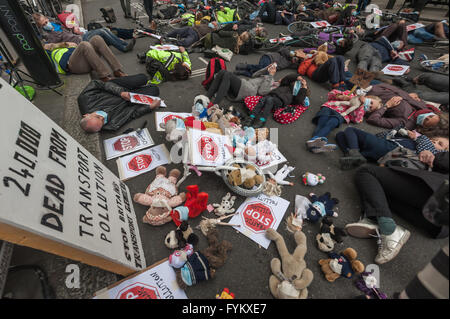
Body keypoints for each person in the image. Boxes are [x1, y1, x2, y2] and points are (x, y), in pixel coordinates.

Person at [344, 150, 449, 264]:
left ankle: (388, 228)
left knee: (367, 172)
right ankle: (376, 219)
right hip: (438, 225)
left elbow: (441, 160)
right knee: (381, 192)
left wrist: (436, 156)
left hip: (438, 195)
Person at [336, 126, 449, 170]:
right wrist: (397, 131)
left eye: (440, 143)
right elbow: (380, 136)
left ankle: (354, 154)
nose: (434, 141)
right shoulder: (417, 142)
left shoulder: (431, 152)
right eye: (435, 139)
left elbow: (424, 142)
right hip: (383, 150)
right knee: (340, 135)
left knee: (351, 130)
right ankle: (356, 155)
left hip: (391, 149)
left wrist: (417, 137)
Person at [78, 74, 160, 132]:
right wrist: (149, 108)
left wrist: (121, 92)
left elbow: (97, 83)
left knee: (143, 78)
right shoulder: (112, 126)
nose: (103, 117)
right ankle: (138, 89)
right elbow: (132, 115)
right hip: (129, 101)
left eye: (98, 117)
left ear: (87, 115)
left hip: (116, 87)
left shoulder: (85, 99)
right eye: (103, 122)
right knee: (155, 90)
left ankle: (136, 85)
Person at [306, 90, 382, 153]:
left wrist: (360, 107)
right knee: (322, 121)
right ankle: (316, 143)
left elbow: (356, 120)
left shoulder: (361, 110)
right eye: (371, 102)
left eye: (370, 108)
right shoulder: (350, 93)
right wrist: (339, 96)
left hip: (341, 115)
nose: (369, 105)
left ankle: (314, 142)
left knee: (330, 124)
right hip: (330, 106)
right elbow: (330, 95)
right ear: (368, 97)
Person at [32, 13, 136, 53]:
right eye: (44, 24)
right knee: (101, 31)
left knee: (104, 30)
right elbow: (57, 45)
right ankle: (123, 47)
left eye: (46, 21)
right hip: (79, 43)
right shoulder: (49, 35)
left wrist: (74, 29)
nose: (47, 23)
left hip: (79, 36)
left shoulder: (54, 23)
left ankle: (123, 44)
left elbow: (68, 31)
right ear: (41, 26)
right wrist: (52, 32)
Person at [43, 36, 127, 82]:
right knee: (84, 44)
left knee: (96, 39)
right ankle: (104, 75)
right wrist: (45, 48)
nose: (48, 44)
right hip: (73, 66)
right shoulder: (47, 53)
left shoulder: (59, 46)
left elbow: (73, 44)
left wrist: (61, 44)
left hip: (86, 60)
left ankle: (117, 70)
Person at [242, 74, 310, 128]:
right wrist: (297, 77)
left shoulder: (295, 96)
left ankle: (262, 120)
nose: (297, 85)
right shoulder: (286, 85)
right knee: (262, 100)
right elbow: (286, 78)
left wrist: (304, 88)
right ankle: (251, 117)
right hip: (272, 95)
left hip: (280, 101)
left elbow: (299, 100)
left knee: (269, 100)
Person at [365, 83, 440, 129]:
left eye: (426, 120)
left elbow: (373, 120)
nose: (426, 116)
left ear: (423, 126)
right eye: (430, 116)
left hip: (364, 96)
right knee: (368, 61)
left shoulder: (403, 123)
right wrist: (409, 95)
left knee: (354, 77)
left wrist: (386, 106)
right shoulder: (423, 106)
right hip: (379, 85)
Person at [205, 67, 275, 106]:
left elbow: (261, 92)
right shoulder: (268, 77)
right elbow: (254, 75)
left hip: (249, 90)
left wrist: (270, 75)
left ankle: (214, 105)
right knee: (222, 72)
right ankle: (206, 98)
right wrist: (266, 69)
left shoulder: (272, 82)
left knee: (228, 75)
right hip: (245, 84)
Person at [234, 47, 304, 77]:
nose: (294, 60)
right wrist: (293, 54)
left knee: (262, 75)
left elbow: (301, 67)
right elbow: (282, 50)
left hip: (271, 66)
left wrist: (303, 58)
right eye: (295, 58)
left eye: (296, 60)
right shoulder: (287, 53)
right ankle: (245, 66)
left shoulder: (291, 64)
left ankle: (242, 72)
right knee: (261, 68)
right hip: (269, 58)